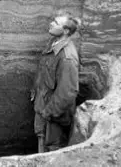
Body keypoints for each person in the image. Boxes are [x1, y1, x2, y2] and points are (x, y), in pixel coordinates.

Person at [30, 12, 80, 153]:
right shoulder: (53, 44)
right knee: (41, 142)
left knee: (52, 149)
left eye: (56, 22)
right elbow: (44, 72)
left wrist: (48, 112)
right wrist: (35, 92)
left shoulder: (67, 57)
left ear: (65, 31)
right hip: (42, 106)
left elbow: (67, 92)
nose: (51, 23)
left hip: (54, 116)